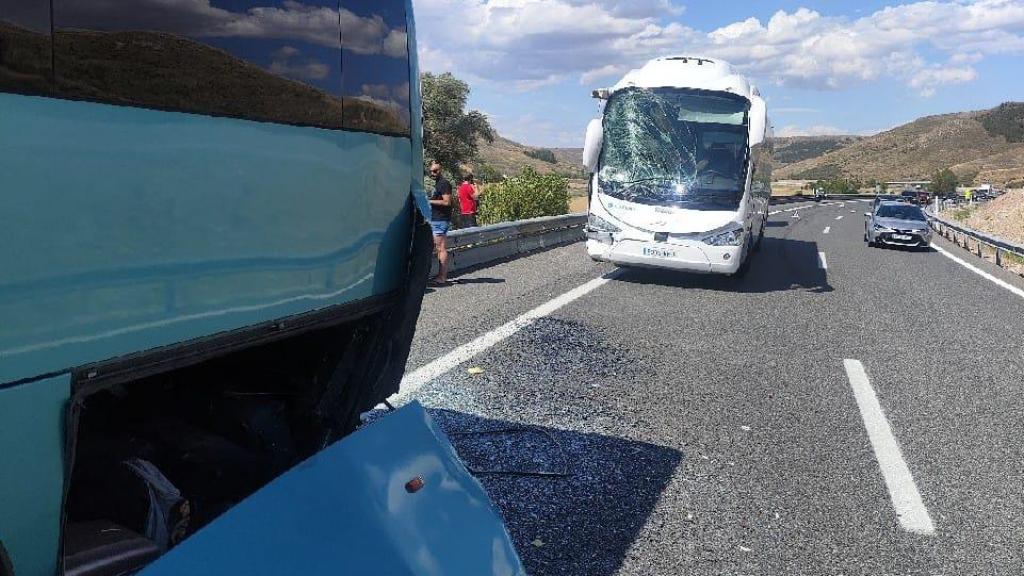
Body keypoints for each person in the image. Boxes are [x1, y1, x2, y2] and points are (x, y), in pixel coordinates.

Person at [428, 162, 452, 286]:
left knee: (441, 248)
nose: (433, 173)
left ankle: (442, 277)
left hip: (440, 220)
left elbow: (447, 202)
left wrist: (429, 201)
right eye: (431, 171)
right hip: (437, 219)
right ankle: (440, 276)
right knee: (438, 248)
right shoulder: (438, 184)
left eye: (435, 171)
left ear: (441, 170)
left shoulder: (443, 184)